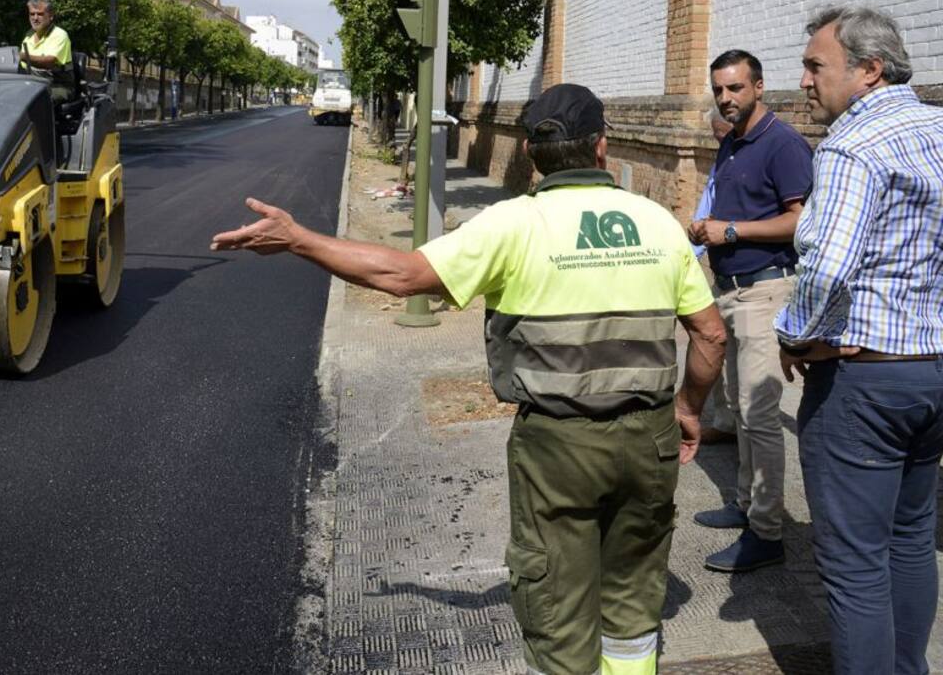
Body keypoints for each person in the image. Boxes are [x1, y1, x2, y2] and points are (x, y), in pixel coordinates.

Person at [211, 83, 727, 675]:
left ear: (533, 154)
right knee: (635, 596)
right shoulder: (656, 222)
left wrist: (299, 238)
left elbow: (402, 276)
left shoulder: (512, 224)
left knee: (556, 596)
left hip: (557, 446)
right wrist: (687, 411)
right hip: (649, 439)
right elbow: (711, 335)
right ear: (603, 147)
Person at [776, 7, 943, 675]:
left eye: (817, 66)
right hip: (932, 374)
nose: (806, 81)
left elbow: (825, 263)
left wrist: (796, 336)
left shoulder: (853, 145)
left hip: (864, 383)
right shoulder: (938, 130)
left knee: (855, 566)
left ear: (868, 70)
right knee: (910, 541)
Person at [687, 49, 812, 573]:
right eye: (719, 89)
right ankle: (746, 506)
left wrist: (731, 231)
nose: (726, 98)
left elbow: (800, 222)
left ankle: (767, 533)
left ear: (759, 87)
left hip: (765, 292)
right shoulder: (732, 143)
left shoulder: (784, 145)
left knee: (759, 414)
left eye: (735, 88)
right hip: (730, 290)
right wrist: (707, 228)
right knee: (738, 405)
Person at [691, 111, 739, 446]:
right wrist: (688, 253)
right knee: (717, 341)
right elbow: (706, 203)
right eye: (715, 135)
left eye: (723, 134)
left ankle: (744, 424)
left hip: (752, 274)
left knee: (743, 357)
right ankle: (726, 422)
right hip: (722, 272)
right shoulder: (723, 157)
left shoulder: (767, 153)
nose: (718, 141)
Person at [20, 0, 74, 101]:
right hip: (33, 83)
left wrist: (21, 56)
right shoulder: (29, 35)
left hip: (58, 85)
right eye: (32, 14)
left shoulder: (59, 35)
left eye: (40, 14)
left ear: (51, 16)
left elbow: (49, 62)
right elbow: (22, 66)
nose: (35, 18)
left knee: (37, 99)